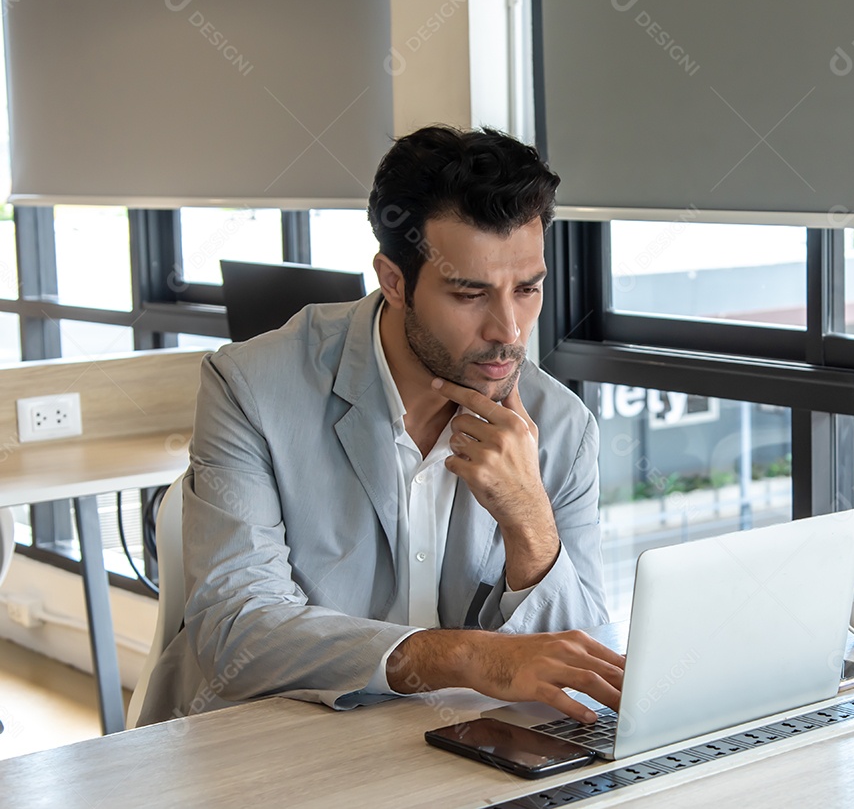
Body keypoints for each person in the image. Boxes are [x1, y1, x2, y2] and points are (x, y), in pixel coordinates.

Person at [138, 125, 624, 726]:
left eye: (527, 289)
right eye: (470, 294)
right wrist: (466, 656)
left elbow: (584, 672)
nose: (510, 330)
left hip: (452, 758)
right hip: (266, 744)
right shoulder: (252, 388)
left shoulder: (563, 427)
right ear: (394, 282)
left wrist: (531, 524)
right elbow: (236, 628)